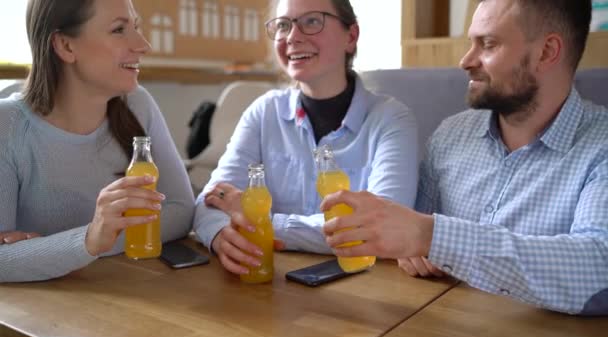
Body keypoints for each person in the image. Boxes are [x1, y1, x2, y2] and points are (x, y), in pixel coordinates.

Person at [322, 0, 608, 315]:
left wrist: (432, 236)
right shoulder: (450, 134)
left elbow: (598, 267)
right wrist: (412, 249)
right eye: (471, 43)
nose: (466, 60)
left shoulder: (601, 146)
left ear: (546, 52)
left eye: (488, 44)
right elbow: (409, 235)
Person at [193, 0, 418, 275]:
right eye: (283, 25)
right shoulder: (265, 112)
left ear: (351, 36)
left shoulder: (391, 119)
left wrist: (262, 222)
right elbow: (212, 198)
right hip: (269, 282)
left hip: (367, 291)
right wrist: (218, 235)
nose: (292, 37)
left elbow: (381, 227)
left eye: (312, 21)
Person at [0, 0, 195, 282]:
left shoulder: (138, 105)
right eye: (119, 29)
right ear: (66, 46)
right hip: (38, 316)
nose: (143, 45)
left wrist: (86, 243)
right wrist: (89, 238)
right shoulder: (7, 125)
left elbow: (181, 210)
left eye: (136, 27)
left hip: (126, 294)